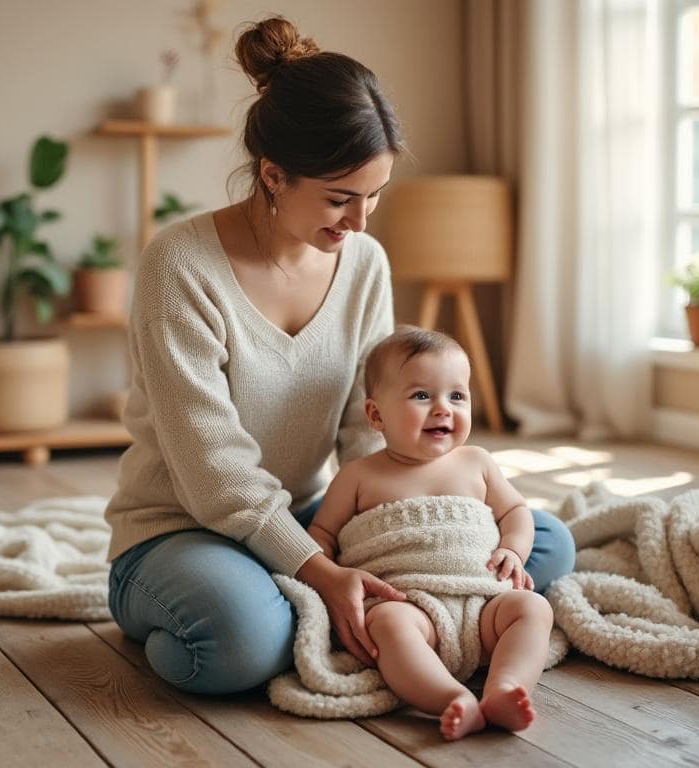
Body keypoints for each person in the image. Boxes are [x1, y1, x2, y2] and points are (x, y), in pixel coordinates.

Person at [104, 16, 576, 697]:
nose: (359, 223)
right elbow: (212, 472)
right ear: (272, 176)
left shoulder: (364, 263)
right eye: (339, 199)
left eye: (374, 197)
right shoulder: (180, 265)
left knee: (544, 541)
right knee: (237, 643)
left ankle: (326, 603)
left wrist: (394, 537)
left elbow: (368, 424)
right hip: (182, 529)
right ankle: (268, 601)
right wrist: (321, 573)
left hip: (310, 518)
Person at [303, 326, 554, 739]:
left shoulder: (477, 462)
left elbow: (515, 511)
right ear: (376, 415)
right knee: (388, 626)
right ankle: (450, 698)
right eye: (422, 396)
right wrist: (326, 577)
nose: (443, 409)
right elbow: (322, 535)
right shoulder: (357, 476)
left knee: (533, 609)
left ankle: (505, 688)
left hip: (483, 603)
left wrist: (513, 548)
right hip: (412, 606)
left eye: (457, 396)